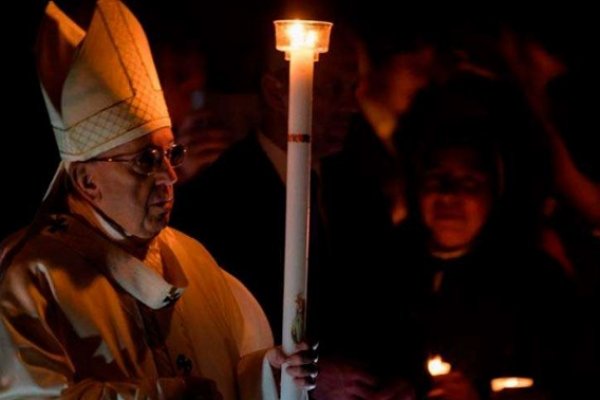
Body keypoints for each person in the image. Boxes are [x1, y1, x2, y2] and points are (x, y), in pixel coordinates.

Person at [0, 1, 316, 399]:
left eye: (171, 154)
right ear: (86, 179)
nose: (168, 176)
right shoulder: (30, 277)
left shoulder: (192, 258)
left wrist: (269, 375)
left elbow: (227, 376)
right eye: (146, 160)